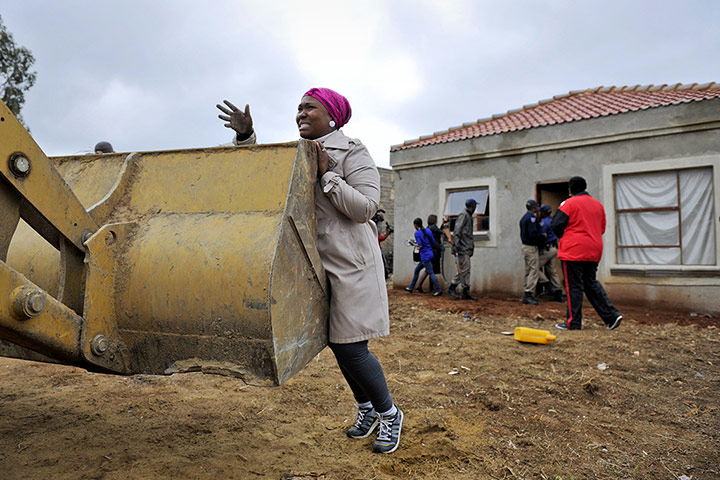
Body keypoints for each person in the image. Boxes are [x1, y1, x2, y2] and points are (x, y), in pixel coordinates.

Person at [217, 88, 404, 454]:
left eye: (309, 108)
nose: (300, 113)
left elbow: (366, 208)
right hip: (312, 264)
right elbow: (260, 176)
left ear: (332, 116)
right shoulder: (297, 152)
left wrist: (328, 176)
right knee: (337, 343)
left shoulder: (353, 151)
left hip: (352, 264)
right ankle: (367, 408)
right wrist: (245, 138)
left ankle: (390, 413)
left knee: (352, 347)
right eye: (298, 108)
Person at [551, 176, 623, 331]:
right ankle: (611, 316)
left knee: (574, 286)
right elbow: (602, 228)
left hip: (574, 249)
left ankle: (573, 322)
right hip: (594, 248)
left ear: (570, 189)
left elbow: (556, 224)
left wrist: (564, 236)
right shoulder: (598, 205)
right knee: (590, 283)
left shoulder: (568, 203)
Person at [446, 199, 478, 301]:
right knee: (465, 269)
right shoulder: (464, 215)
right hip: (462, 247)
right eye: (475, 206)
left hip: (467, 247)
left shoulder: (468, 216)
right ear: (472, 206)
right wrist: (456, 246)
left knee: (467, 270)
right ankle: (452, 286)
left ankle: (466, 291)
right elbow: (457, 231)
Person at [404, 218, 442, 296]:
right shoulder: (428, 230)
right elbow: (432, 241)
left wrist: (413, 244)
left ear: (415, 225)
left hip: (425, 255)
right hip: (430, 253)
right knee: (417, 270)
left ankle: (438, 289)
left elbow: (420, 245)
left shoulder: (417, 233)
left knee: (431, 272)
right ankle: (411, 287)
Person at [519, 199, 546, 305]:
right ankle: (528, 293)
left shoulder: (523, 218)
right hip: (531, 246)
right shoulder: (531, 218)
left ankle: (526, 291)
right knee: (533, 270)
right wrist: (542, 237)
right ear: (533, 207)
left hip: (525, 246)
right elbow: (532, 233)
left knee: (528, 269)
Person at [537, 204, 563, 302]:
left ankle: (548, 285)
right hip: (554, 247)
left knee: (535, 267)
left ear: (544, 213)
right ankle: (558, 292)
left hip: (547, 248)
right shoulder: (554, 221)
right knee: (552, 270)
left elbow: (543, 236)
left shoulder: (544, 222)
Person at [416, 214, 443, 293]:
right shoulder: (434, 228)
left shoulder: (427, 229)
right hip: (434, 252)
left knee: (429, 270)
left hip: (427, 252)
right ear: (435, 221)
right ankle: (428, 287)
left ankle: (424, 286)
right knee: (430, 270)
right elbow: (441, 233)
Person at [372, 209, 393, 279]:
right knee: (383, 262)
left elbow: (380, 237)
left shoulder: (372, 229)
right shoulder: (373, 230)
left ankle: (385, 275)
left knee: (383, 262)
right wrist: (387, 232)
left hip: (376, 248)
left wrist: (388, 232)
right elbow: (379, 236)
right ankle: (385, 276)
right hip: (376, 249)